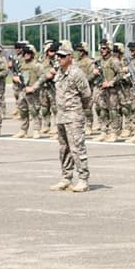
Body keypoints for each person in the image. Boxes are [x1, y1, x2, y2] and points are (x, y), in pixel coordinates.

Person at [49, 42, 91, 192]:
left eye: (62, 56)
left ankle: (83, 179)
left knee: (77, 148)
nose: (58, 58)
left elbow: (86, 95)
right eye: (57, 56)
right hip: (61, 115)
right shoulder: (59, 72)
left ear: (70, 57)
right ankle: (66, 178)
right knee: (64, 149)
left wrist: (80, 111)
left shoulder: (76, 73)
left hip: (74, 115)